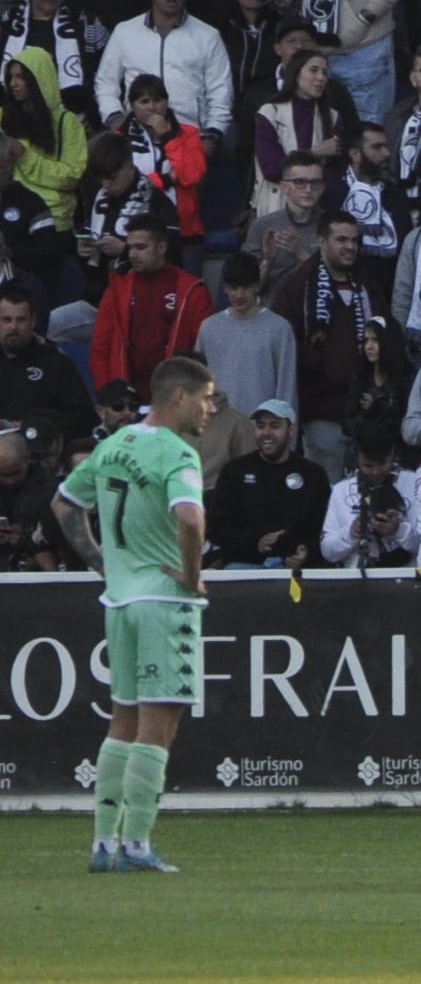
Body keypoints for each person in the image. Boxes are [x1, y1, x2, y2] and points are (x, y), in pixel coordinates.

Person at [55, 352, 219, 872]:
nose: (211, 409)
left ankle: (105, 843)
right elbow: (190, 520)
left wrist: (102, 564)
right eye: (206, 398)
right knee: (159, 723)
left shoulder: (113, 445)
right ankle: (139, 845)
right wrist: (192, 578)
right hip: (164, 601)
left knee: (123, 719)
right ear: (179, 396)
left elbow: (64, 504)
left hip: (120, 600)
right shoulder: (177, 454)